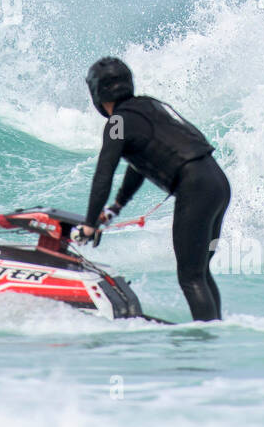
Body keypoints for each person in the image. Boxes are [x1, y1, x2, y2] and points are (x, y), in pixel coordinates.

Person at [77, 57, 232, 321]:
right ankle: (215, 328)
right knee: (200, 272)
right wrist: (116, 207)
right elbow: (137, 165)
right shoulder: (149, 105)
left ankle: (205, 340)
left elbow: (104, 173)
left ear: (97, 93)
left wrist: (90, 224)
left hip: (194, 187)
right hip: (217, 182)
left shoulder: (117, 122)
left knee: (190, 276)